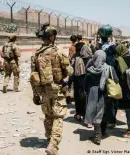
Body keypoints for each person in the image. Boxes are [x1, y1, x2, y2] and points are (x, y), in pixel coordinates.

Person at [31, 22, 73, 155]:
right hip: (57, 89)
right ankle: (53, 145)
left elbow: (33, 76)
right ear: (51, 37)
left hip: (43, 90)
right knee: (58, 116)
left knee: (48, 116)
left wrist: (35, 94)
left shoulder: (37, 54)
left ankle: (49, 138)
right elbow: (69, 71)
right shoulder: (58, 52)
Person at [84, 50, 118, 145]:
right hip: (106, 93)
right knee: (103, 113)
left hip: (92, 93)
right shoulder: (109, 68)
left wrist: (86, 91)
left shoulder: (90, 69)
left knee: (95, 113)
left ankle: (97, 135)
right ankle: (101, 132)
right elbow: (116, 80)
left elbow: (85, 83)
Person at [71, 42, 92, 127]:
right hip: (88, 84)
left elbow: (71, 71)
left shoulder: (76, 58)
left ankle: (79, 115)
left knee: (79, 99)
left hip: (78, 83)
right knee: (88, 101)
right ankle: (88, 120)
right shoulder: (92, 59)